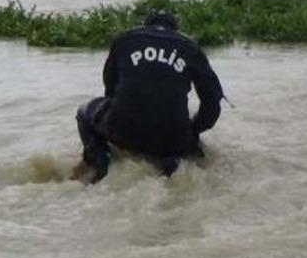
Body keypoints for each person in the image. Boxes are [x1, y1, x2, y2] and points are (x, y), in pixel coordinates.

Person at [73, 10, 224, 184]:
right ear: (175, 29)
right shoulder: (191, 48)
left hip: (123, 128)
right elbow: (212, 102)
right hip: (173, 137)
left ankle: (100, 163)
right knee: (191, 146)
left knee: (84, 111)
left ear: (146, 25)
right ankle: (170, 167)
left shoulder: (125, 40)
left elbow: (110, 90)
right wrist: (194, 128)